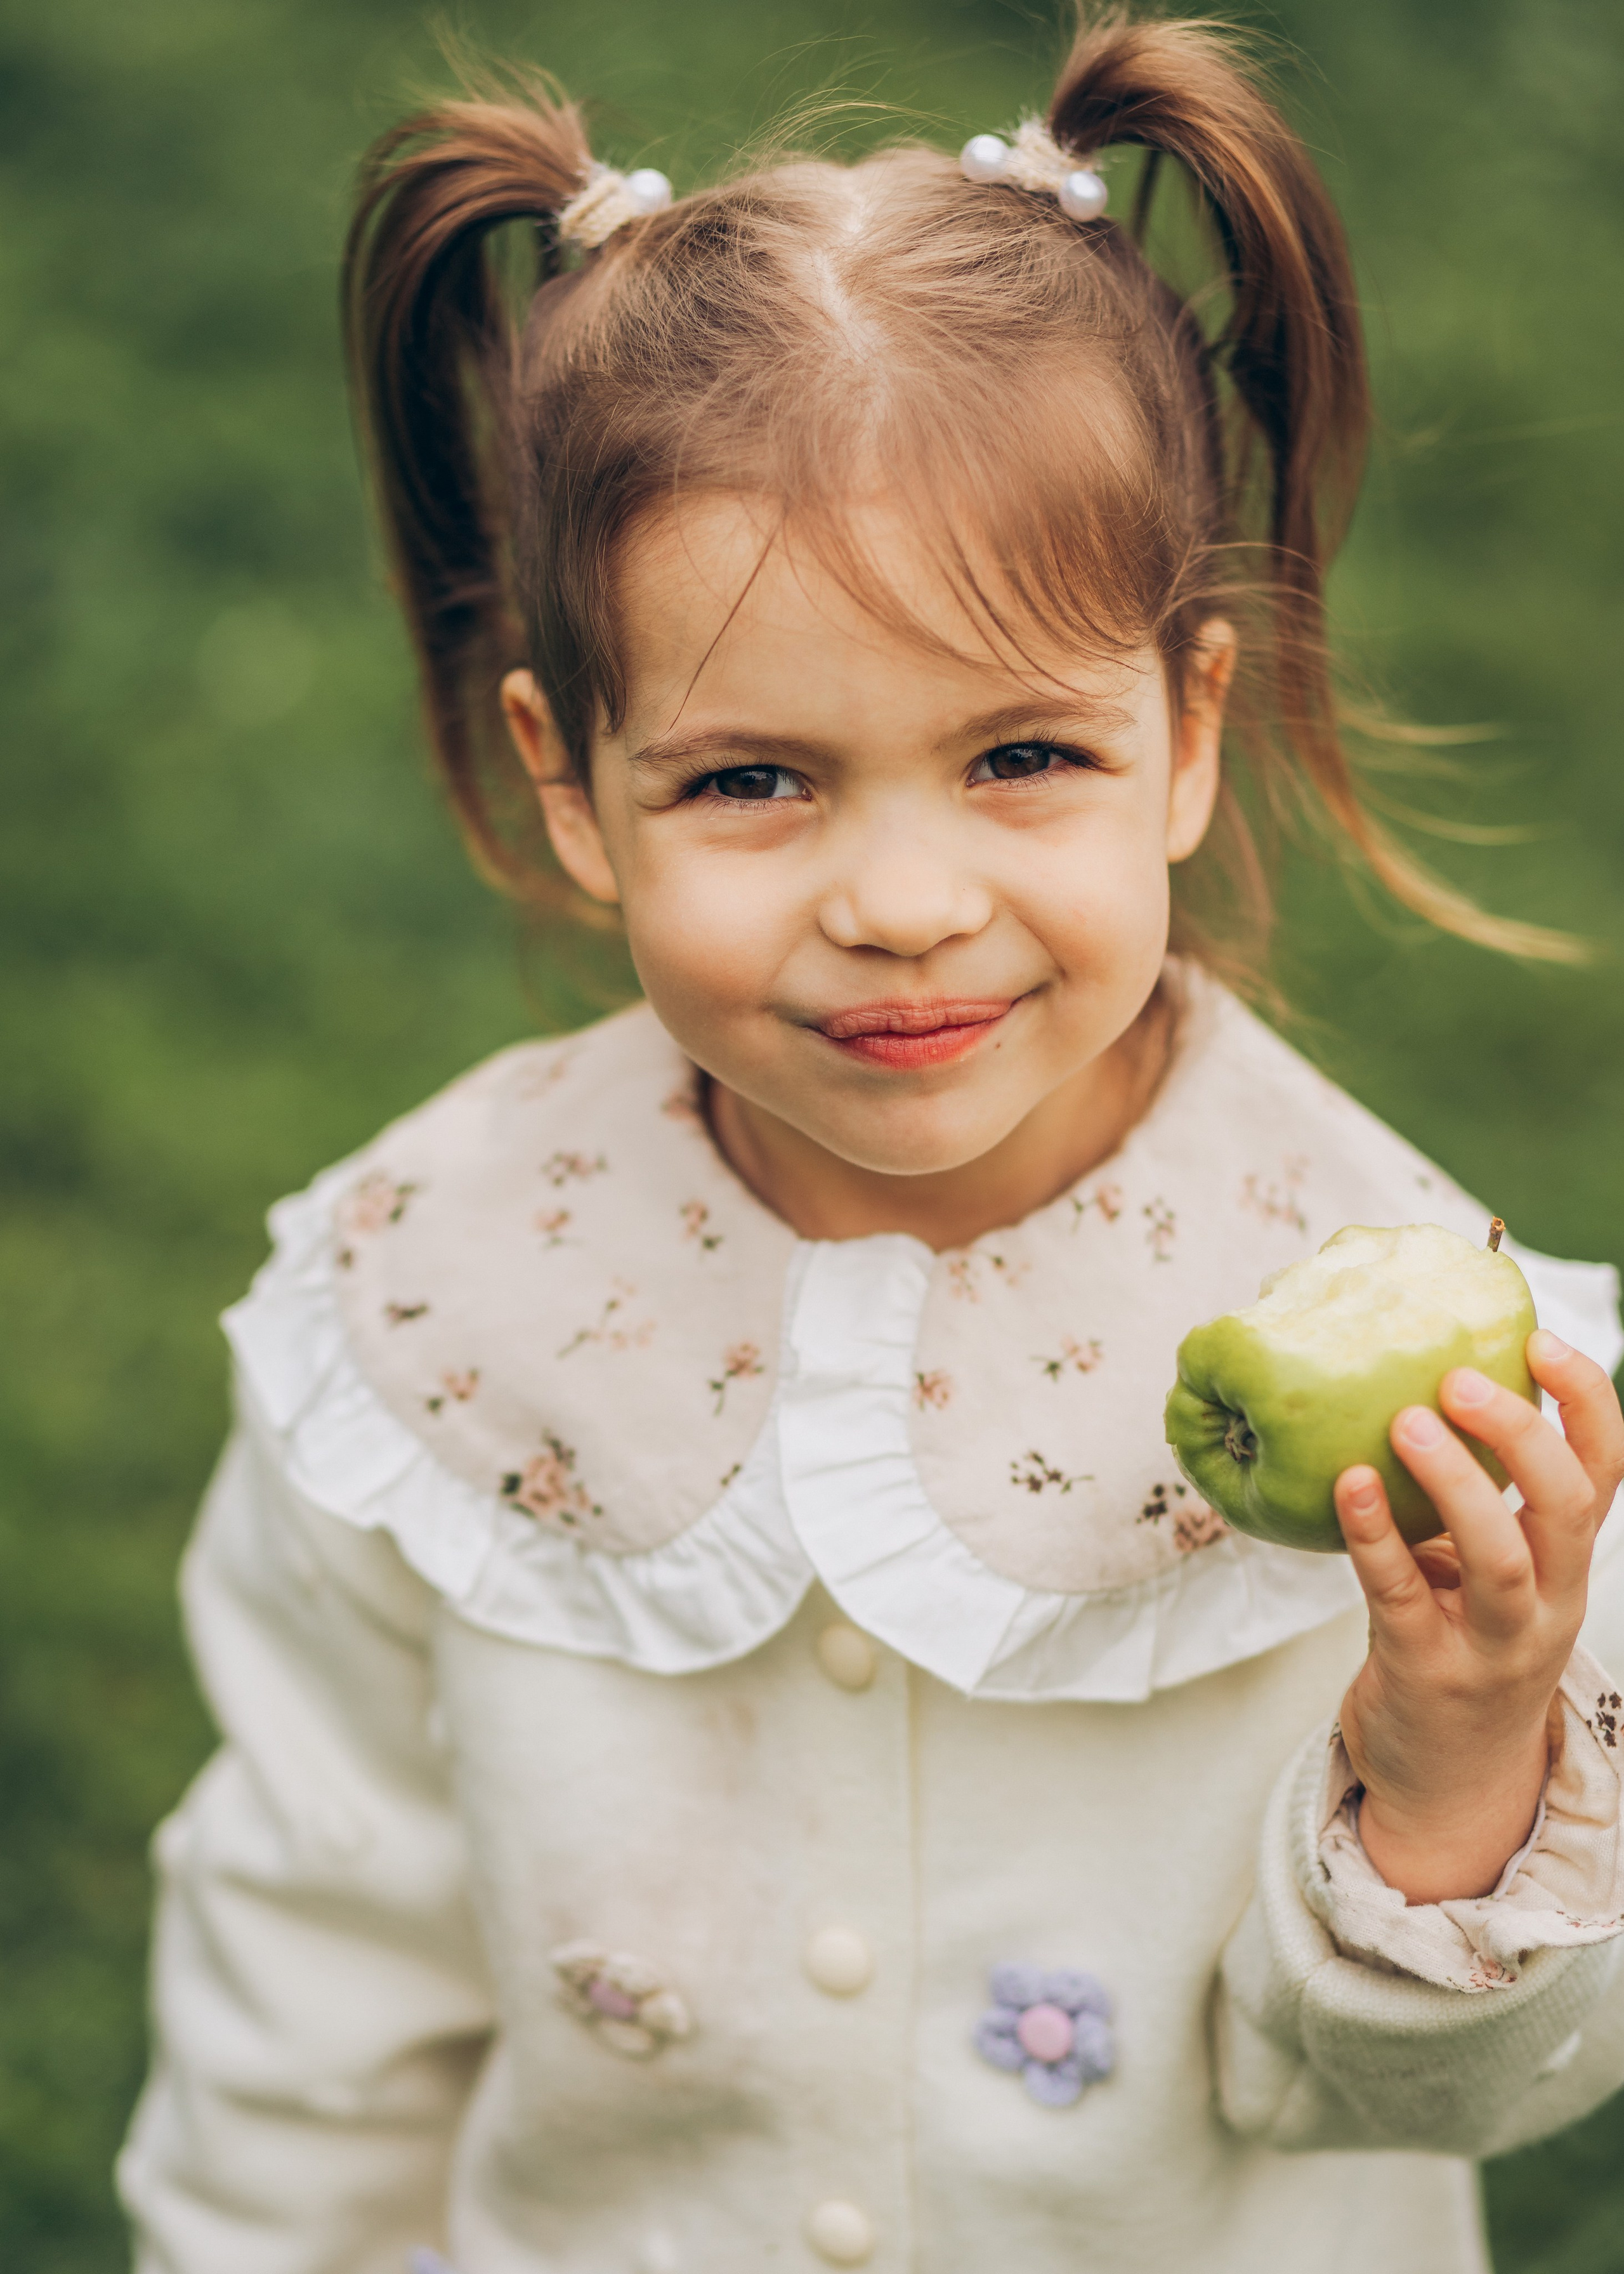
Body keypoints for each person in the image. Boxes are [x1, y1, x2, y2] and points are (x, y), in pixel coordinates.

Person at [119, 11, 1624, 2272]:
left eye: (1022, 756)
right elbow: (308, 1987)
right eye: (751, 779)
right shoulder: (426, 1315)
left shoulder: (1439, 1381)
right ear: (568, 777)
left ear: (1189, 732)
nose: (904, 901)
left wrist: (1465, 1754)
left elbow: (1434, 2105)